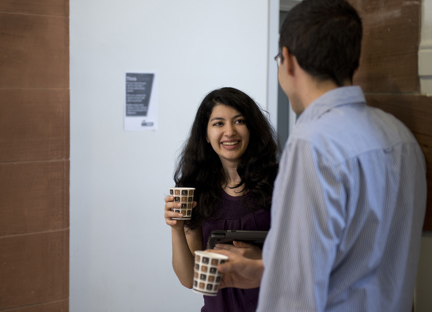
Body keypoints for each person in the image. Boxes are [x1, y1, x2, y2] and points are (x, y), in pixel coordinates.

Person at [212, 0, 427, 311]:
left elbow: (294, 292)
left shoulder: (313, 144)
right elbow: (360, 261)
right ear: (356, 61)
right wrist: (264, 269)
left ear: (286, 61)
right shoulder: (401, 138)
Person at [164, 87, 279, 312]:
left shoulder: (280, 182)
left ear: (252, 128)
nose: (229, 132)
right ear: (206, 135)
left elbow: (303, 258)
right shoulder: (196, 190)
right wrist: (177, 228)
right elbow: (190, 279)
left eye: (239, 121)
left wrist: (261, 259)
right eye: (218, 123)